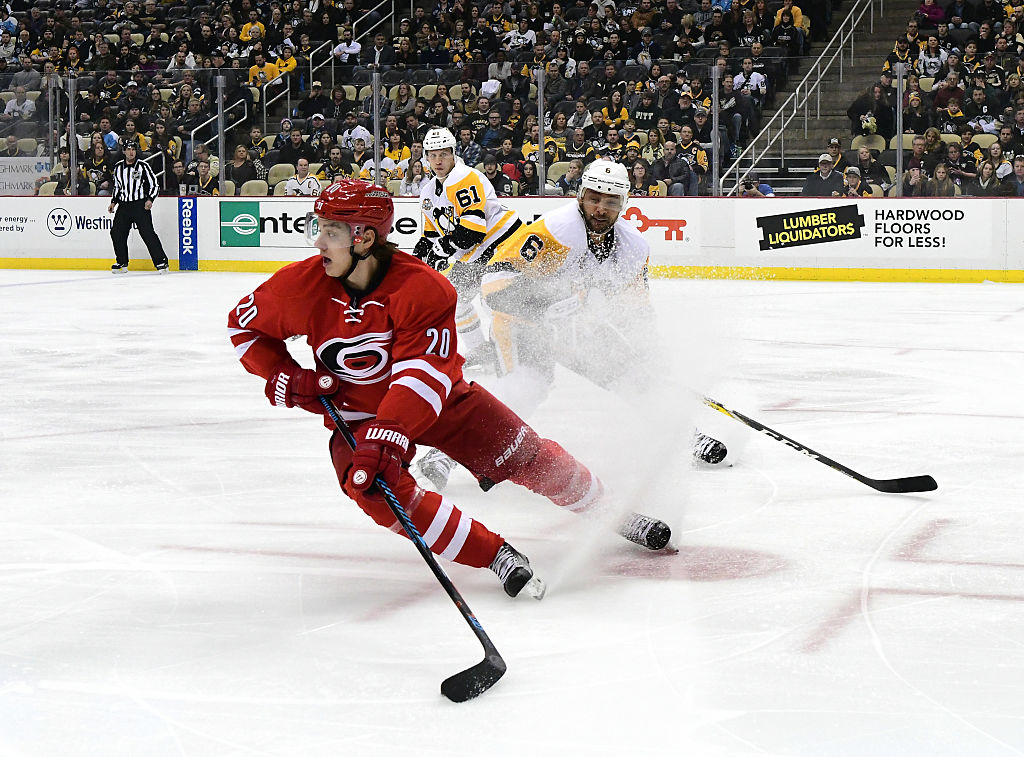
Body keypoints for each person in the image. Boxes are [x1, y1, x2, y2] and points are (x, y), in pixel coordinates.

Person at [226, 180, 674, 600]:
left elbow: (424, 372)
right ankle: (494, 553)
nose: (318, 242)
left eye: (330, 231)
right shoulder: (300, 285)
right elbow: (244, 328)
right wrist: (283, 375)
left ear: (363, 237)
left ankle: (615, 513)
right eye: (317, 229)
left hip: (443, 403)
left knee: (527, 457)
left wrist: (391, 429)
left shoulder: (423, 287)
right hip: (358, 417)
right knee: (373, 488)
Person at [415, 160, 728, 491]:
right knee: (527, 387)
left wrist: (651, 352)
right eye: (594, 198)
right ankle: (443, 454)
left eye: (610, 202)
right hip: (521, 321)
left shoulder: (633, 247)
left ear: (624, 204)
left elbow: (637, 309)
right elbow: (495, 285)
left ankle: (679, 433)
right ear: (580, 196)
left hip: (573, 323)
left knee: (631, 374)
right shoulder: (558, 230)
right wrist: (545, 306)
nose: (600, 209)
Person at [411, 127, 523, 372]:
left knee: (494, 299)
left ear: (453, 154)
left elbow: (471, 233)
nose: (438, 161)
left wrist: (440, 250)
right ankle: (481, 351)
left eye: (443, 154)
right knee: (456, 300)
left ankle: (514, 355)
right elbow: (431, 236)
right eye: (432, 155)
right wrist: (413, 263)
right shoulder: (428, 192)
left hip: (503, 244)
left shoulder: (464, 177)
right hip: (477, 255)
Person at [108, 142, 169, 273]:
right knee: (117, 232)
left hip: (140, 205)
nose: (131, 152)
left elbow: (154, 184)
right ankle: (122, 262)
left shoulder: (143, 166)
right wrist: (113, 202)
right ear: (124, 151)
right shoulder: (118, 167)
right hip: (124, 206)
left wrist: (150, 199)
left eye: (133, 150)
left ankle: (161, 261)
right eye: (128, 149)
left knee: (147, 233)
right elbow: (118, 187)